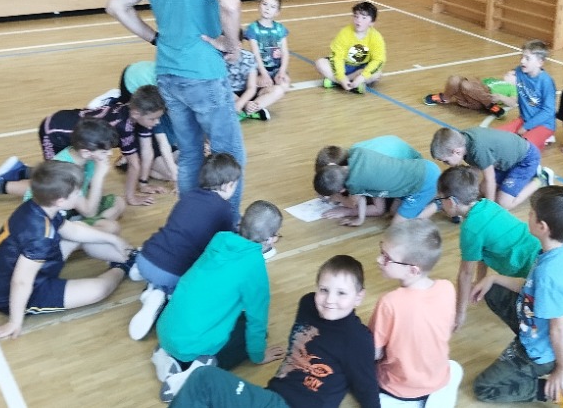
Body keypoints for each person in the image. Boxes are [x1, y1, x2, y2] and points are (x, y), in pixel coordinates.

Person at [106, 0, 246, 221]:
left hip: (168, 74)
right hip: (203, 73)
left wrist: (155, 38)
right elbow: (230, 4)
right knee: (229, 154)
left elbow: (116, 5)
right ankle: (227, 226)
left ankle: (190, 221)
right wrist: (233, 45)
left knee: (191, 153)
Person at [166, 255, 380, 408]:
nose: (330, 300)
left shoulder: (358, 339)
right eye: (324, 290)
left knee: (204, 378)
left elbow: (367, 387)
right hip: (272, 398)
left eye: (341, 293)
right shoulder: (307, 304)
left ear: (359, 297)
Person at [0, 161, 135, 340]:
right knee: (98, 290)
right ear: (61, 201)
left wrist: (114, 240)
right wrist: (14, 322)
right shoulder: (39, 235)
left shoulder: (40, 207)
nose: (80, 195)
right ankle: (124, 267)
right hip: (15, 295)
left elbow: (74, 231)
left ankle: (131, 256)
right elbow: (21, 281)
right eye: (77, 193)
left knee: (83, 230)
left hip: (35, 267)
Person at [153, 200, 285, 402]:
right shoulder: (255, 267)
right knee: (253, 335)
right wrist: (258, 356)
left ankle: (168, 356)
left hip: (166, 329)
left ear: (240, 222)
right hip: (193, 345)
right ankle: (194, 371)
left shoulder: (220, 238)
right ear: (271, 239)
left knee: (230, 316)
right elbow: (257, 321)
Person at [468, 186, 563, 405]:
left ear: (542, 227)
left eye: (532, 213)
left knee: (484, 388)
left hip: (544, 349)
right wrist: (493, 278)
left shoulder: (549, 274)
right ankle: (528, 347)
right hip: (540, 328)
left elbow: (558, 328)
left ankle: (556, 390)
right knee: (492, 290)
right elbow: (530, 287)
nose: (528, 214)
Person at [127, 153, 248, 341]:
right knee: (198, 282)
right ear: (228, 185)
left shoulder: (188, 196)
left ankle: (146, 275)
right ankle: (160, 294)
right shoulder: (225, 211)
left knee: (171, 243)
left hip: (147, 256)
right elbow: (223, 249)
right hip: (172, 274)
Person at [0, 120, 126, 234]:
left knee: (119, 203)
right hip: (46, 220)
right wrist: (99, 176)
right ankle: (77, 229)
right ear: (86, 152)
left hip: (65, 204)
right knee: (110, 227)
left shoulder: (84, 157)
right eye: (105, 151)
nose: (109, 154)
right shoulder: (68, 171)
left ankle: (1, 181)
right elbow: (90, 212)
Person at [434, 166, 540, 332]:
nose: (439, 204)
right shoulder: (486, 204)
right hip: (537, 249)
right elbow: (483, 253)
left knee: (526, 304)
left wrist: (460, 313)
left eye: (440, 199)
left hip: (529, 267)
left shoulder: (471, 229)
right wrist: (479, 282)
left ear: (452, 202)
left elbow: (465, 274)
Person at [369, 220, 462, 407]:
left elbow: (374, 353)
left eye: (386, 257)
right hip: (437, 378)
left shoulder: (389, 302)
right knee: (454, 367)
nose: (379, 260)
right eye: (381, 251)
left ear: (413, 270)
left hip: (398, 387)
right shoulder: (447, 288)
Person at [35, 85, 167, 207]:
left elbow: (147, 152)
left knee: (82, 182)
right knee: (55, 180)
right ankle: (24, 174)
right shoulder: (124, 124)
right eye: (153, 119)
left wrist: (143, 184)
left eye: (158, 118)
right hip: (53, 131)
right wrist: (131, 198)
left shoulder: (140, 115)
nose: (157, 122)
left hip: (74, 128)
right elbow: (134, 164)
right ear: (136, 114)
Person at [85, 60, 180, 185]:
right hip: (131, 81)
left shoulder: (174, 100)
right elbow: (162, 143)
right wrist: (173, 172)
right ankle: (113, 101)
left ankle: (135, 157)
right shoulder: (161, 104)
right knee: (138, 122)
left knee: (147, 126)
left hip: (147, 82)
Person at [430, 127, 553, 210]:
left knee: (503, 203)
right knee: (483, 190)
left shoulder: (478, 150)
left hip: (525, 160)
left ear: (456, 151)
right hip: (504, 161)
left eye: (446, 161)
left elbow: (490, 179)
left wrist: (490, 210)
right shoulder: (463, 140)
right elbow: (474, 172)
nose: (445, 164)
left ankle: (541, 179)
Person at [313, 147, 439, 227]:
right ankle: (431, 197)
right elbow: (361, 196)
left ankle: (438, 203)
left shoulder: (355, 183)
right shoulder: (355, 153)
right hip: (421, 168)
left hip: (424, 182)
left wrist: (337, 197)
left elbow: (352, 203)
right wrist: (360, 219)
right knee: (393, 212)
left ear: (341, 190)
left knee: (398, 226)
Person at [493, 40, 556, 151]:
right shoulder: (520, 71)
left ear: (540, 62)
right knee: (495, 137)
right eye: (522, 57)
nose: (522, 61)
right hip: (524, 119)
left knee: (524, 147)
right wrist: (508, 77)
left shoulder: (546, 82)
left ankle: (545, 137)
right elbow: (511, 77)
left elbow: (548, 111)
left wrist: (526, 127)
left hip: (543, 124)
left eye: (527, 58)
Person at [236, 0, 291, 120]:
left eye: (272, 7)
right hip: (258, 71)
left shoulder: (280, 29)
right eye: (265, 4)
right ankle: (249, 105)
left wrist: (282, 71)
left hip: (275, 71)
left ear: (277, 12)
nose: (267, 8)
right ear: (259, 6)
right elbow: (255, 54)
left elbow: (285, 52)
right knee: (257, 84)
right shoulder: (253, 29)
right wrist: (263, 73)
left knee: (284, 86)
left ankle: (250, 108)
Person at [315, 1, 385, 94]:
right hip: (344, 65)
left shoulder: (376, 37)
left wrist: (362, 77)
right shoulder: (344, 33)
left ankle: (335, 82)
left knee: (377, 74)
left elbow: (378, 60)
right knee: (320, 63)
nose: (359, 20)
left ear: (372, 22)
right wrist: (341, 77)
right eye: (356, 16)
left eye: (364, 18)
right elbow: (337, 57)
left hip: (360, 68)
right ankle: (350, 84)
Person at [422, 71, 514, 118]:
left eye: (514, 74)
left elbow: (513, 103)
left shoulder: (514, 88)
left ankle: (490, 105)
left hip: (482, 101)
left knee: (466, 85)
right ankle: (445, 98)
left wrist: (501, 97)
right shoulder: (493, 79)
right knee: (454, 79)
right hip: (470, 94)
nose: (509, 72)